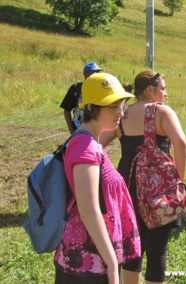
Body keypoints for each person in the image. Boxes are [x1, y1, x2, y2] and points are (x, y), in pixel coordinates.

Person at [101, 70, 186, 284]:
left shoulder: (123, 114)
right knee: (158, 250)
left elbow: (97, 144)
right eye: (163, 88)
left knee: (132, 249)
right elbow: (181, 143)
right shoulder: (161, 112)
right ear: (150, 90)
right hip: (158, 190)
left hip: (127, 187)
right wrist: (179, 181)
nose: (166, 94)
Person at [54, 72, 141, 284]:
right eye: (112, 106)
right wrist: (111, 262)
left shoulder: (92, 142)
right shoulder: (85, 148)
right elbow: (89, 210)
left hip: (94, 255)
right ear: (91, 108)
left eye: (121, 105)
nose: (120, 112)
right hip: (87, 262)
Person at [60, 62, 103, 134]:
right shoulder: (76, 87)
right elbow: (66, 110)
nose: (97, 74)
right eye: (95, 72)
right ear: (85, 74)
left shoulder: (100, 88)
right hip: (78, 127)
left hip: (96, 128)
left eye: (98, 72)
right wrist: (71, 130)